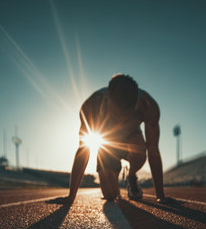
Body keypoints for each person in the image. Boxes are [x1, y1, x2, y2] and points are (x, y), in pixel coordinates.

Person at [58, 74, 165, 203]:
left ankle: (131, 176)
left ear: (137, 104)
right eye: (115, 117)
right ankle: (113, 178)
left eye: (126, 119)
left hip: (132, 139)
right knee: (110, 195)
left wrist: (161, 196)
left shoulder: (148, 107)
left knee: (140, 150)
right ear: (106, 98)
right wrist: (71, 196)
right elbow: (83, 150)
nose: (120, 124)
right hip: (108, 145)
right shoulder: (90, 107)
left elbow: (153, 150)